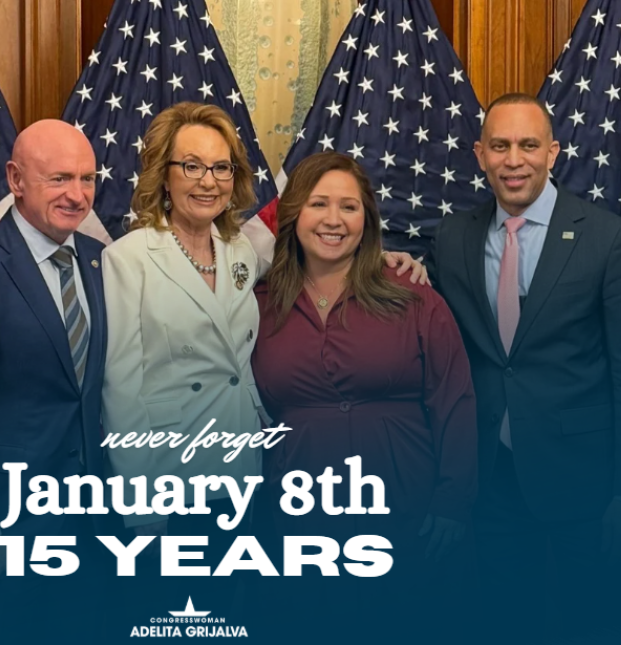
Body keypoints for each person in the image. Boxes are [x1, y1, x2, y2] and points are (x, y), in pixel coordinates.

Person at [102, 102, 425, 616]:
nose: (207, 181)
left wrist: (385, 257)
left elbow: (326, 244)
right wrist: (142, 507)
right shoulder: (129, 258)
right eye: (191, 166)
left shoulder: (242, 250)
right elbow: (119, 389)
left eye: (221, 167)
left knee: (235, 617)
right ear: (164, 175)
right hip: (171, 481)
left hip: (245, 471)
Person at [427, 93, 621, 640]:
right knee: (509, 623)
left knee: (597, 622)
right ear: (479, 154)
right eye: (500, 146)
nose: (515, 160)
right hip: (492, 479)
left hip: (589, 482)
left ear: (552, 152)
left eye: (529, 145)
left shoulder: (609, 238)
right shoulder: (452, 238)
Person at [251, 152, 478, 641]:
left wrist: (452, 502)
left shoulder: (413, 294)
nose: (334, 220)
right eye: (319, 204)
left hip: (409, 511)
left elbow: (455, 401)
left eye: (349, 207)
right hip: (300, 515)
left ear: (367, 220)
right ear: (294, 215)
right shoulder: (258, 303)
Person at [0, 119, 110, 643]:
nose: (77, 195)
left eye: (88, 178)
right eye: (59, 179)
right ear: (15, 179)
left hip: (90, 529)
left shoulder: (101, 263)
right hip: (4, 530)